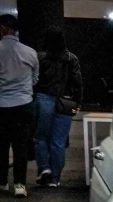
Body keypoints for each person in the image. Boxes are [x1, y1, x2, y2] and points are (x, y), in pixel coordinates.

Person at [34, 27, 82, 188]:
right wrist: (78, 103)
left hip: (43, 99)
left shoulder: (40, 57)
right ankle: (55, 178)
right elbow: (78, 83)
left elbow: (33, 80)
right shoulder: (71, 58)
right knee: (59, 142)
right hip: (65, 102)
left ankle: (44, 168)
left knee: (41, 138)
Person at [0, 14, 39, 198]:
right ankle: (20, 184)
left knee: (1, 145)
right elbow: (35, 79)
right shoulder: (30, 52)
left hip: (1, 105)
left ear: (3, 28)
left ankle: (2, 181)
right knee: (20, 146)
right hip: (23, 105)